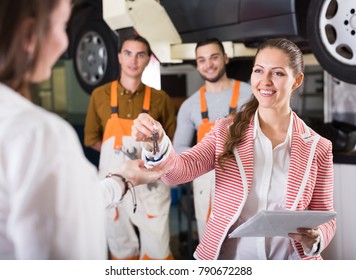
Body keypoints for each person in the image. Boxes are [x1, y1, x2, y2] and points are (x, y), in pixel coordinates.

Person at [132, 38, 336, 260]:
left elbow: (326, 216)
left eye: (277, 73)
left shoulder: (319, 147)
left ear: (297, 81)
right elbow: (178, 172)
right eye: (259, 71)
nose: (265, 81)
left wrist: (316, 238)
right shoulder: (225, 131)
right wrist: (157, 141)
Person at [0, 0, 163, 260]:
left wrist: (120, 180)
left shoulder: (159, 98)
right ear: (30, 35)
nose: (66, 44)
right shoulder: (40, 134)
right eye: (63, 26)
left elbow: (63, 208)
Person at [84, 34, 176, 260]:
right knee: (120, 247)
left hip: (151, 185)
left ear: (148, 60)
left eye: (140, 54)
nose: (133, 60)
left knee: (157, 250)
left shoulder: (161, 99)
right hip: (113, 182)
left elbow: (169, 142)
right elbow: (92, 138)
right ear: (118, 57)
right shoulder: (99, 96)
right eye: (128, 53)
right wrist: (117, 155)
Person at [173, 38, 251, 239]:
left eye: (214, 57)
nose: (208, 64)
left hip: (244, 180)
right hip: (205, 185)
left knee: (247, 244)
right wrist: (202, 160)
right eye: (202, 60)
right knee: (211, 247)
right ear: (197, 64)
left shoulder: (251, 94)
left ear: (225, 58)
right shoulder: (189, 106)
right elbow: (179, 147)